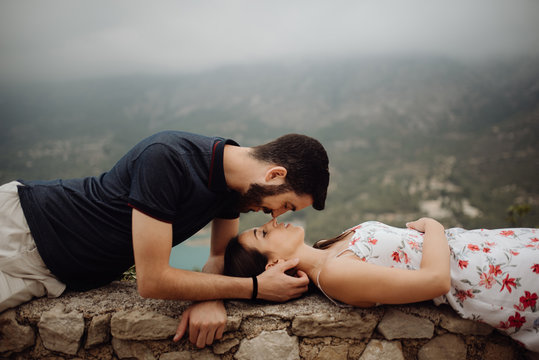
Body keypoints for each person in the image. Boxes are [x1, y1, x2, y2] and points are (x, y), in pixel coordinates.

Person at [0, 130, 330, 348]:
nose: (275, 216)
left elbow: (219, 256)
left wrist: (209, 298)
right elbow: (153, 281)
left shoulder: (231, 189)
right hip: (23, 229)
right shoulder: (168, 159)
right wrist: (255, 287)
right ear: (274, 175)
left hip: (51, 274)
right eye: (285, 204)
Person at [224, 217, 539, 352]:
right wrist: (434, 226)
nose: (271, 222)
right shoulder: (335, 275)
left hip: (495, 250)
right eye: (263, 234)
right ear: (274, 264)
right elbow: (435, 281)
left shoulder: (328, 248)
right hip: (496, 278)